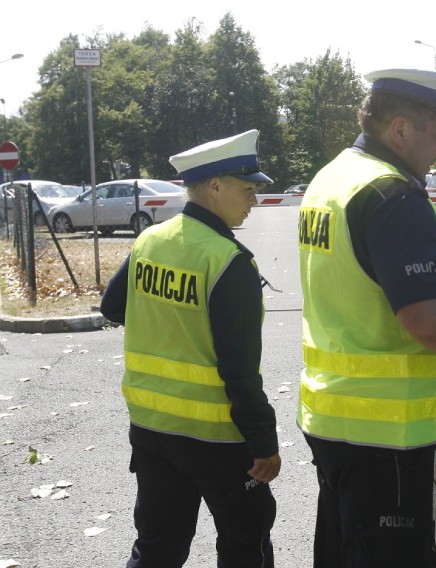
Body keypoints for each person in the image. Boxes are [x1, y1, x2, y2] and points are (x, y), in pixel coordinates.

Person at [296, 68, 436, 567]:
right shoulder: (391, 195)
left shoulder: (333, 177)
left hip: (332, 413)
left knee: (341, 550)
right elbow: (428, 322)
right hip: (384, 431)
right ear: (401, 130)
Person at [100, 129, 281, 568]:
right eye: (247, 188)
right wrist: (263, 443)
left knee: (158, 545)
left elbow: (112, 306)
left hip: (152, 427)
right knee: (245, 541)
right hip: (217, 435)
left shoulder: (150, 240)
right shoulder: (227, 260)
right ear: (214, 187)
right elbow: (240, 370)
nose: (254, 199)